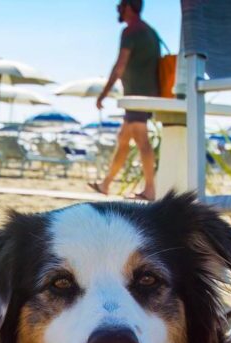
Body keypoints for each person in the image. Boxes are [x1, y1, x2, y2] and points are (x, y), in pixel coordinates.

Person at [92, 0, 161, 200]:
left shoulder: (132, 31)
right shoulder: (150, 32)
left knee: (142, 140)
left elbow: (119, 66)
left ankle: (150, 189)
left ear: (129, 7)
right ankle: (106, 184)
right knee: (124, 140)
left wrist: (103, 94)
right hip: (145, 94)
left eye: (120, 5)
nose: (118, 10)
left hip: (137, 96)